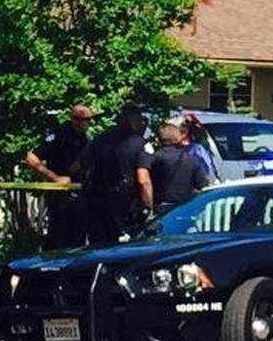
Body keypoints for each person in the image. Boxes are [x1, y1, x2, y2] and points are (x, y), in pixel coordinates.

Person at [74, 105, 153, 245]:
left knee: (97, 243)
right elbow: (143, 180)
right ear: (133, 121)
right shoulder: (141, 144)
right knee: (125, 244)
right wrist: (149, 206)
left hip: (96, 200)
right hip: (125, 204)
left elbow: (77, 167)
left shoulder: (98, 140)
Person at [25, 104, 94, 249]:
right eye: (86, 119)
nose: (89, 123)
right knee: (58, 240)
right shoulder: (59, 135)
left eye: (90, 119)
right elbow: (32, 159)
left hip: (79, 198)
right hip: (61, 199)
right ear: (75, 120)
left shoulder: (84, 139)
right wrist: (55, 177)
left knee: (77, 242)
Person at [149, 119, 210, 213]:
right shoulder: (191, 160)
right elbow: (202, 185)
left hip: (158, 207)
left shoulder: (152, 158)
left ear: (159, 139)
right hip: (183, 208)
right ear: (178, 138)